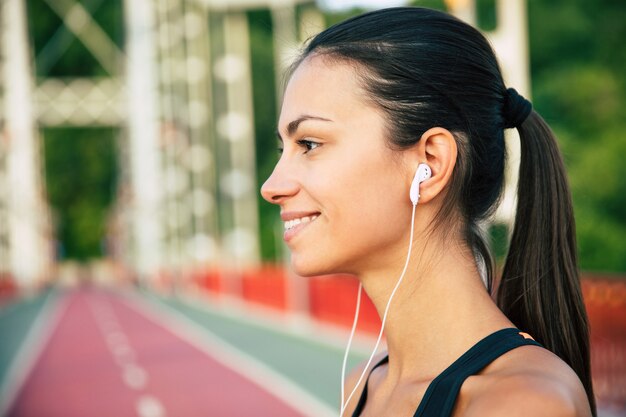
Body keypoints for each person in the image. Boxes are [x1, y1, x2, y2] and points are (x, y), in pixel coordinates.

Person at [261, 6, 595, 417]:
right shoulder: (363, 389)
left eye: (309, 144)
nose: (272, 187)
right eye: (284, 149)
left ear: (430, 163)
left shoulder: (519, 404)